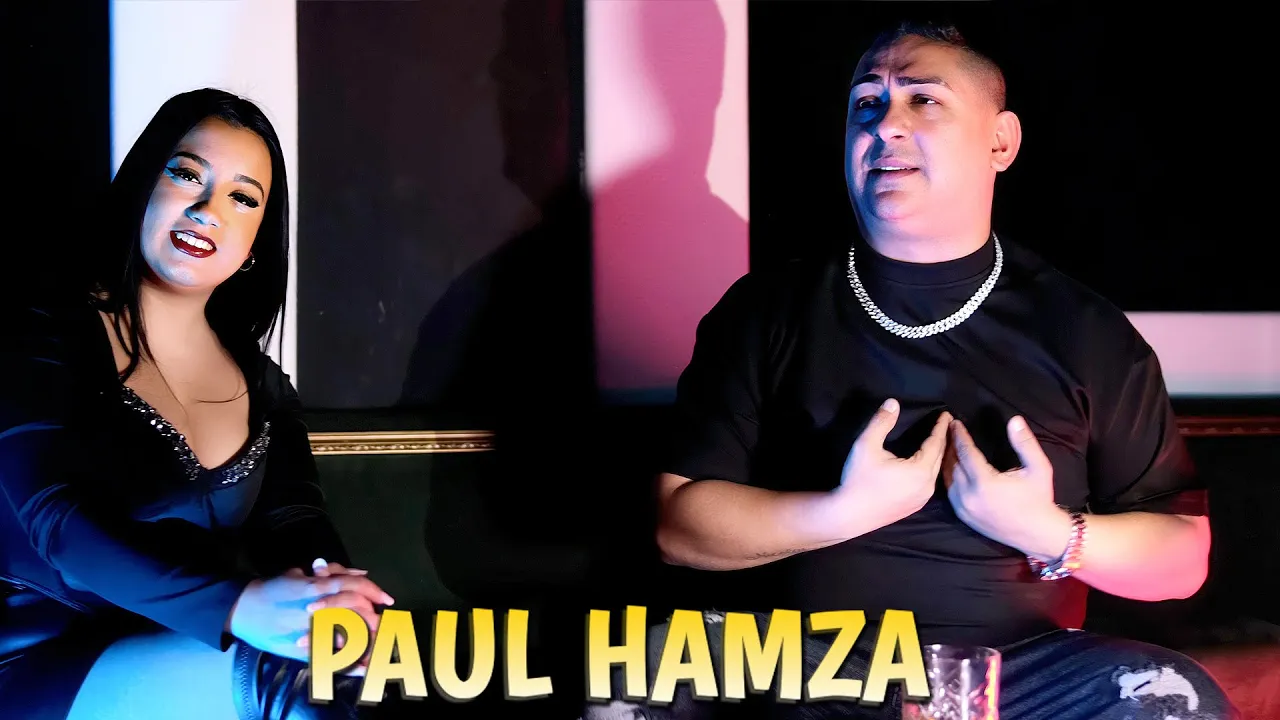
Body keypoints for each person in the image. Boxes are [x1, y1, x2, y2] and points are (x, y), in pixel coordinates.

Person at [586, 20, 1238, 720]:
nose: (885, 125)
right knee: (640, 673)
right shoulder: (767, 310)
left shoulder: (1086, 331)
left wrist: (1045, 530)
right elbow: (680, 527)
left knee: (1176, 696)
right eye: (866, 104)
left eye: (923, 100)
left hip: (1022, 672)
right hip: (810, 665)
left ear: (1000, 141)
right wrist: (844, 511)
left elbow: (1182, 559)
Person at [0, 89, 391, 720]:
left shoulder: (262, 386)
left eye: (243, 198)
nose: (209, 211)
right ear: (142, 188)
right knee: (292, 684)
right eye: (186, 175)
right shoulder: (40, 336)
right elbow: (59, 521)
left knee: (351, 670)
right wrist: (237, 605)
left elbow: (297, 522)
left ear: (257, 240)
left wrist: (332, 605)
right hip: (38, 653)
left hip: (183, 649)